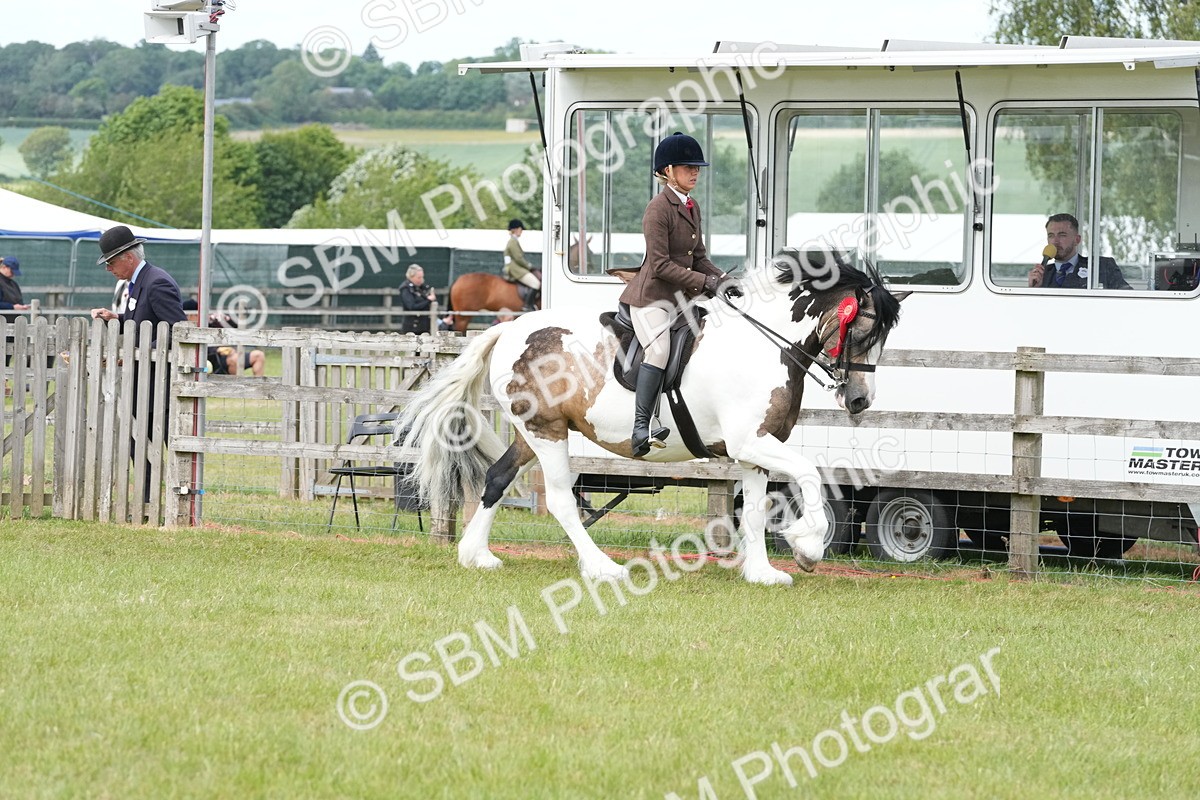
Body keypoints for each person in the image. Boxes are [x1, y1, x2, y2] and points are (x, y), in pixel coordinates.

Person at [617, 132, 740, 457]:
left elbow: (698, 256)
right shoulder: (657, 209)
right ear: (667, 171)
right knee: (658, 351)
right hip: (651, 298)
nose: (695, 172)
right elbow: (659, 266)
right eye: (688, 167)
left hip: (680, 299)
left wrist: (722, 279)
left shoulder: (691, 206)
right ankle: (641, 427)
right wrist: (705, 282)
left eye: (697, 167)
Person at [89, 226, 187, 507]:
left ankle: (172, 502)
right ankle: (147, 502)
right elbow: (146, 322)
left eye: (111, 262)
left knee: (163, 445)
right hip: (145, 382)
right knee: (139, 444)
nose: (108, 268)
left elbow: (177, 329)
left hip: (159, 384)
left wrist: (140, 353)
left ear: (128, 257)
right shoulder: (138, 281)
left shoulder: (157, 283)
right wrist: (117, 318)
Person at [1027, 213, 1132, 290]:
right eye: (1051, 236)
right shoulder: (1042, 274)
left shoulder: (1101, 266)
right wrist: (1034, 290)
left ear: (1077, 240)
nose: (1055, 241)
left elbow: (1127, 297)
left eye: (1062, 235)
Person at [182, 298, 266, 377]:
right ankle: (237, 386)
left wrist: (224, 318)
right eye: (196, 314)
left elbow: (235, 326)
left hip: (226, 355)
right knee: (234, 360)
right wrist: (217, 349)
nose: (200, 316)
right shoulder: (186, 330)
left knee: (259, 355)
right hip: (213, 360)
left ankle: (257, 386)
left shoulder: (209, 323)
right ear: (189, 316)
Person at [502, 218, 540, 311]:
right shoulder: (513, 242)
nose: (521, 231)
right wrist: (529, 266)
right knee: (536, 284)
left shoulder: (513, 241)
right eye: (521, 229)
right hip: (516, 269)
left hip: (516, 267)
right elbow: (518, 258)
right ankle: (527, 305)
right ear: (516, 229)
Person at [398, 263, 436, 334]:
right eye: (419, 277)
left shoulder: (422, 288)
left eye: (422, 277)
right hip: (412, 328)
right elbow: (411, 306)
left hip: (424, 327)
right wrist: (428, 300)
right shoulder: (406, 288)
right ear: (411, 276)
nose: (421, 280)